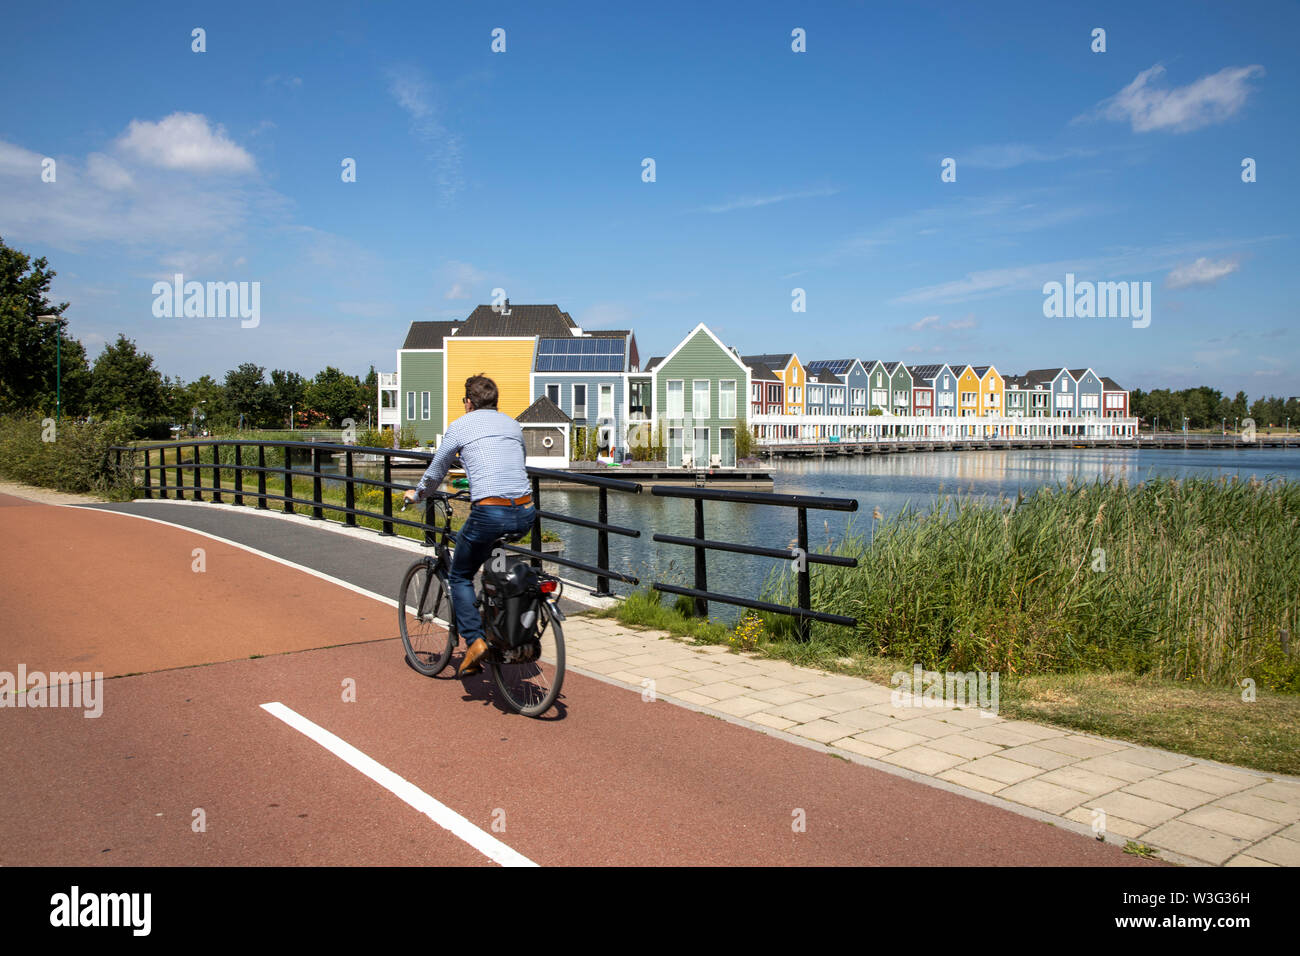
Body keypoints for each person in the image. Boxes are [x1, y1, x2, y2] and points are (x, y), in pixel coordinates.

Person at [404, 375, 534, 678]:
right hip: (526, 511)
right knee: (491, 563)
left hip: (491, 512)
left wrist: (418, 494)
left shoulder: (460, 427)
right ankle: (499, 621)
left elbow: (437, 470)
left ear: (468, 402)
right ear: (495, 402)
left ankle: (475, 642)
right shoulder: (512, 425)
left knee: (461, 575)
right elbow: (517, 463)